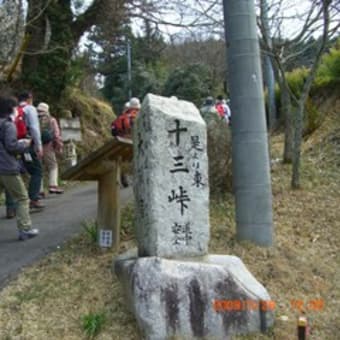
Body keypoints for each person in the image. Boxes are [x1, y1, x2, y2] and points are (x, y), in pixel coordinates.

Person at [0, 95, 39, 240]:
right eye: (16, 107)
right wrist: (24, 144)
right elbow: (11, 146)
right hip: (7, 167)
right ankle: (25, 229)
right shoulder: (8, 124)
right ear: (11, 109)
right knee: (22, 198)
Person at [17, 91, 44, 211]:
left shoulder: (13, 109)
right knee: (36, 170)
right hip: (26, 144)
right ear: (29, 98)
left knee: (13, 173)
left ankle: (11, 206)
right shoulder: (30, 109)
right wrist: (39, 146)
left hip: (12, 145)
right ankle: (34, 199)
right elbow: (34, 128)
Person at [111, 97, 141, 187]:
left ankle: (123, 177)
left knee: (123, 160)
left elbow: (113, 132)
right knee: (136, 160)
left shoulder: (121, 117)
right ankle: (136, 178)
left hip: (121, 141)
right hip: (134, 141)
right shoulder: (138, 116)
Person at [37, 102, 64, 195]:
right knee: (53, 166)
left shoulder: (33, 118)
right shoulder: (51, 120)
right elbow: (56, 134)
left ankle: (39, 190)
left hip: (36, 146)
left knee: (38, 168)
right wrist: (59, 145)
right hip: (48, 146)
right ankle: (53, 186)